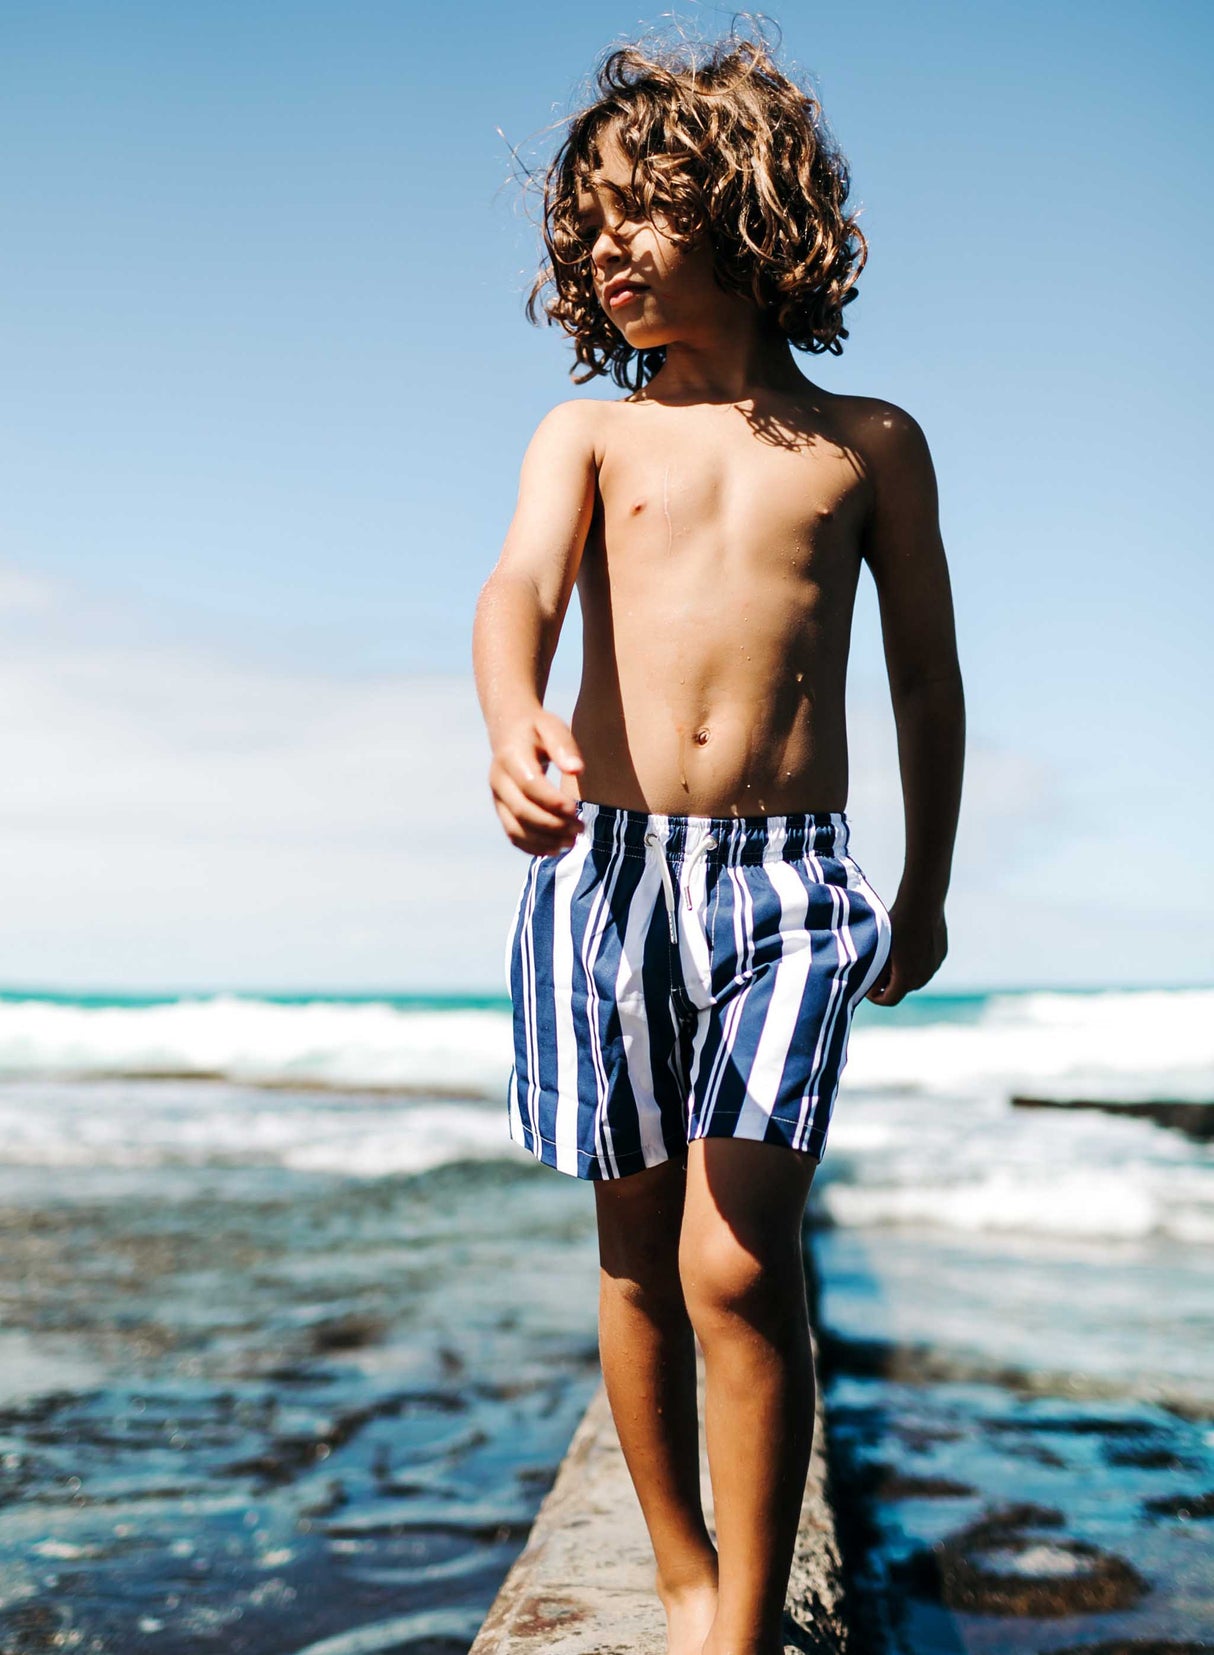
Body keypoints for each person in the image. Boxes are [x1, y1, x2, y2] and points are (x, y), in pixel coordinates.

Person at [472, 30, 965, 1655]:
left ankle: (742, 1620)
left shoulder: (866, 445)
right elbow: (518, 596)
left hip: (786, 887)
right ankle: (679, 1573)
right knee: (632, 1255)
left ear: (740, 215)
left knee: (735, 1259)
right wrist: (513, 722)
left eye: (637, 214)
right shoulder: (588, 438)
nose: (602, 248)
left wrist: (927, 885)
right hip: (604, 876)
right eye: (586, 226)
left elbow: (923, 676)